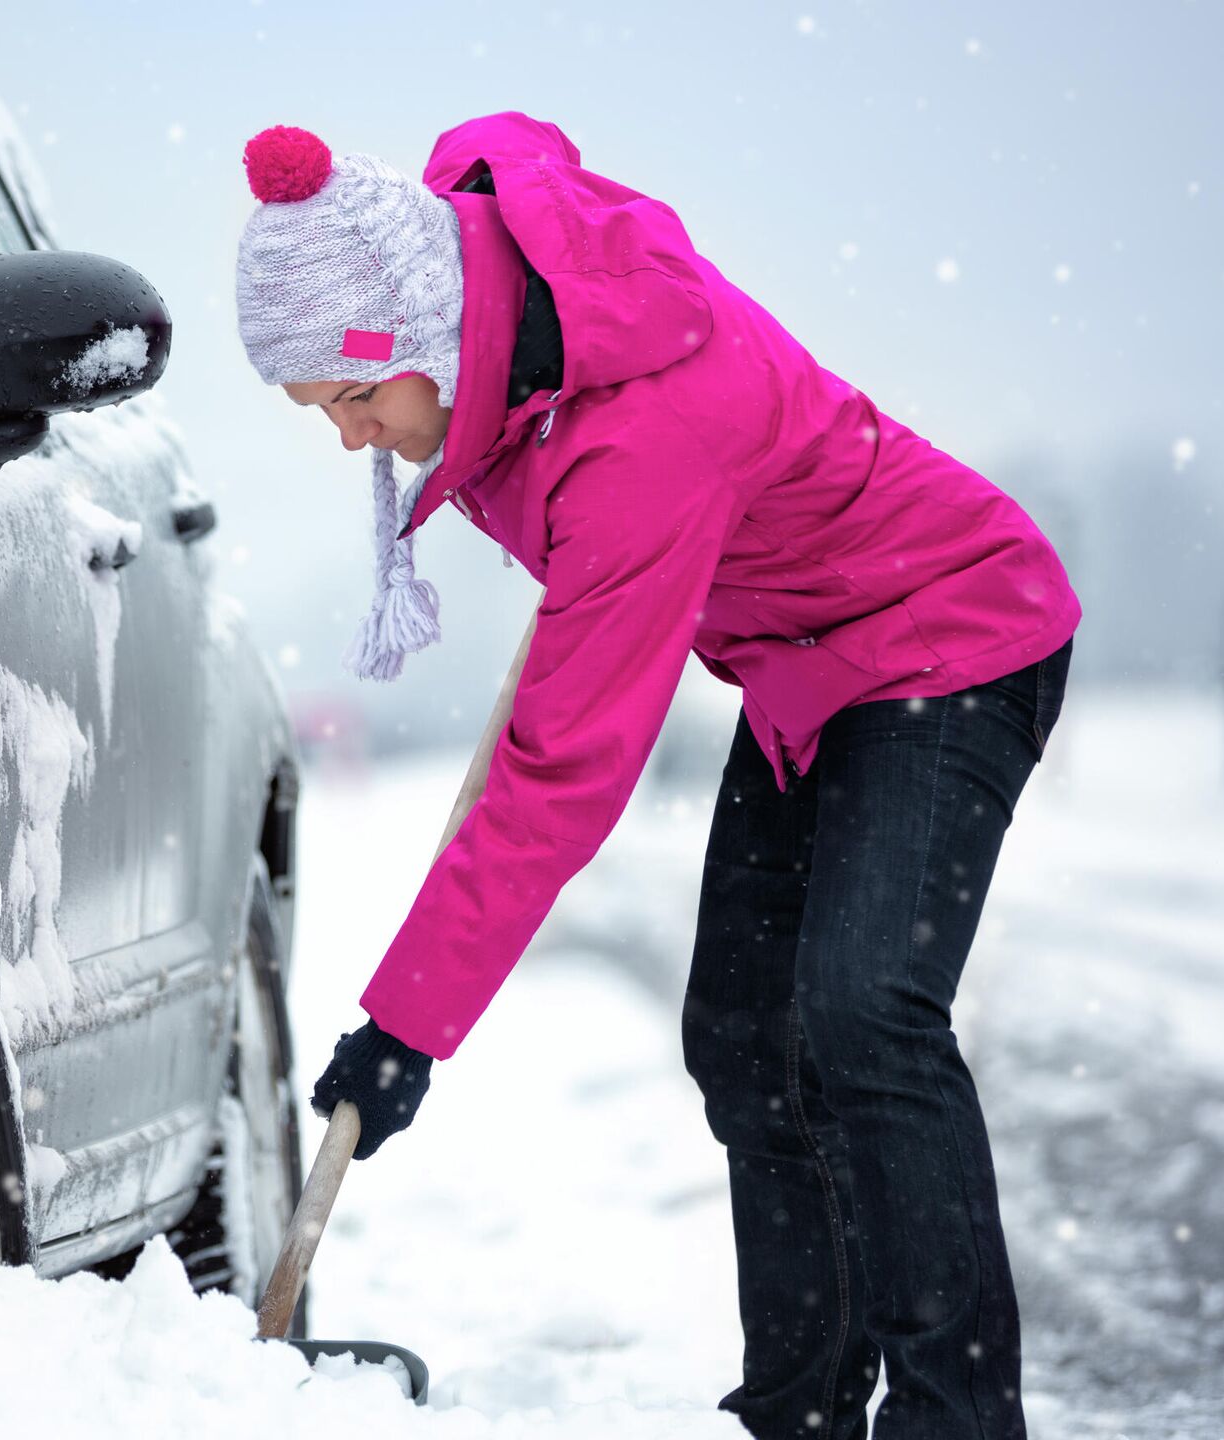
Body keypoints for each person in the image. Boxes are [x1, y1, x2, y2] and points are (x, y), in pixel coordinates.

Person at [231, 115, 1080, 1440]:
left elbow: (559, 776)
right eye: (324, 413)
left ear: (423, 341)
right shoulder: (478, 295)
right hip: (808, 672)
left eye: (353, 399)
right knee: (745, 1036)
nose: (355, 442)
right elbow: (509, 146)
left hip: (954, 631)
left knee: (862, 1013)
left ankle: (954, 1420)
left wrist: (405, 1032)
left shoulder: (642, 446)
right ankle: (797, 1416)